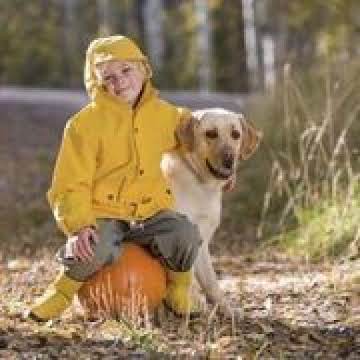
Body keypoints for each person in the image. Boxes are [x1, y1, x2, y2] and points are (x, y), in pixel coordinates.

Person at [26, 35, 203, 322]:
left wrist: (218, 167)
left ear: (144, 69)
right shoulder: (84, 125)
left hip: (151, 210)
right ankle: (61, 292)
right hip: (104, 212)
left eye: (126, 71)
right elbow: (70, 183)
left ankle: (179, 289)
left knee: (184, 234)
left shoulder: (166, 115)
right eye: (108, 77)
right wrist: (79, 226)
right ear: (96, 83)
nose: (119, 82)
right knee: (91, 248)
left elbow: (194, 138)